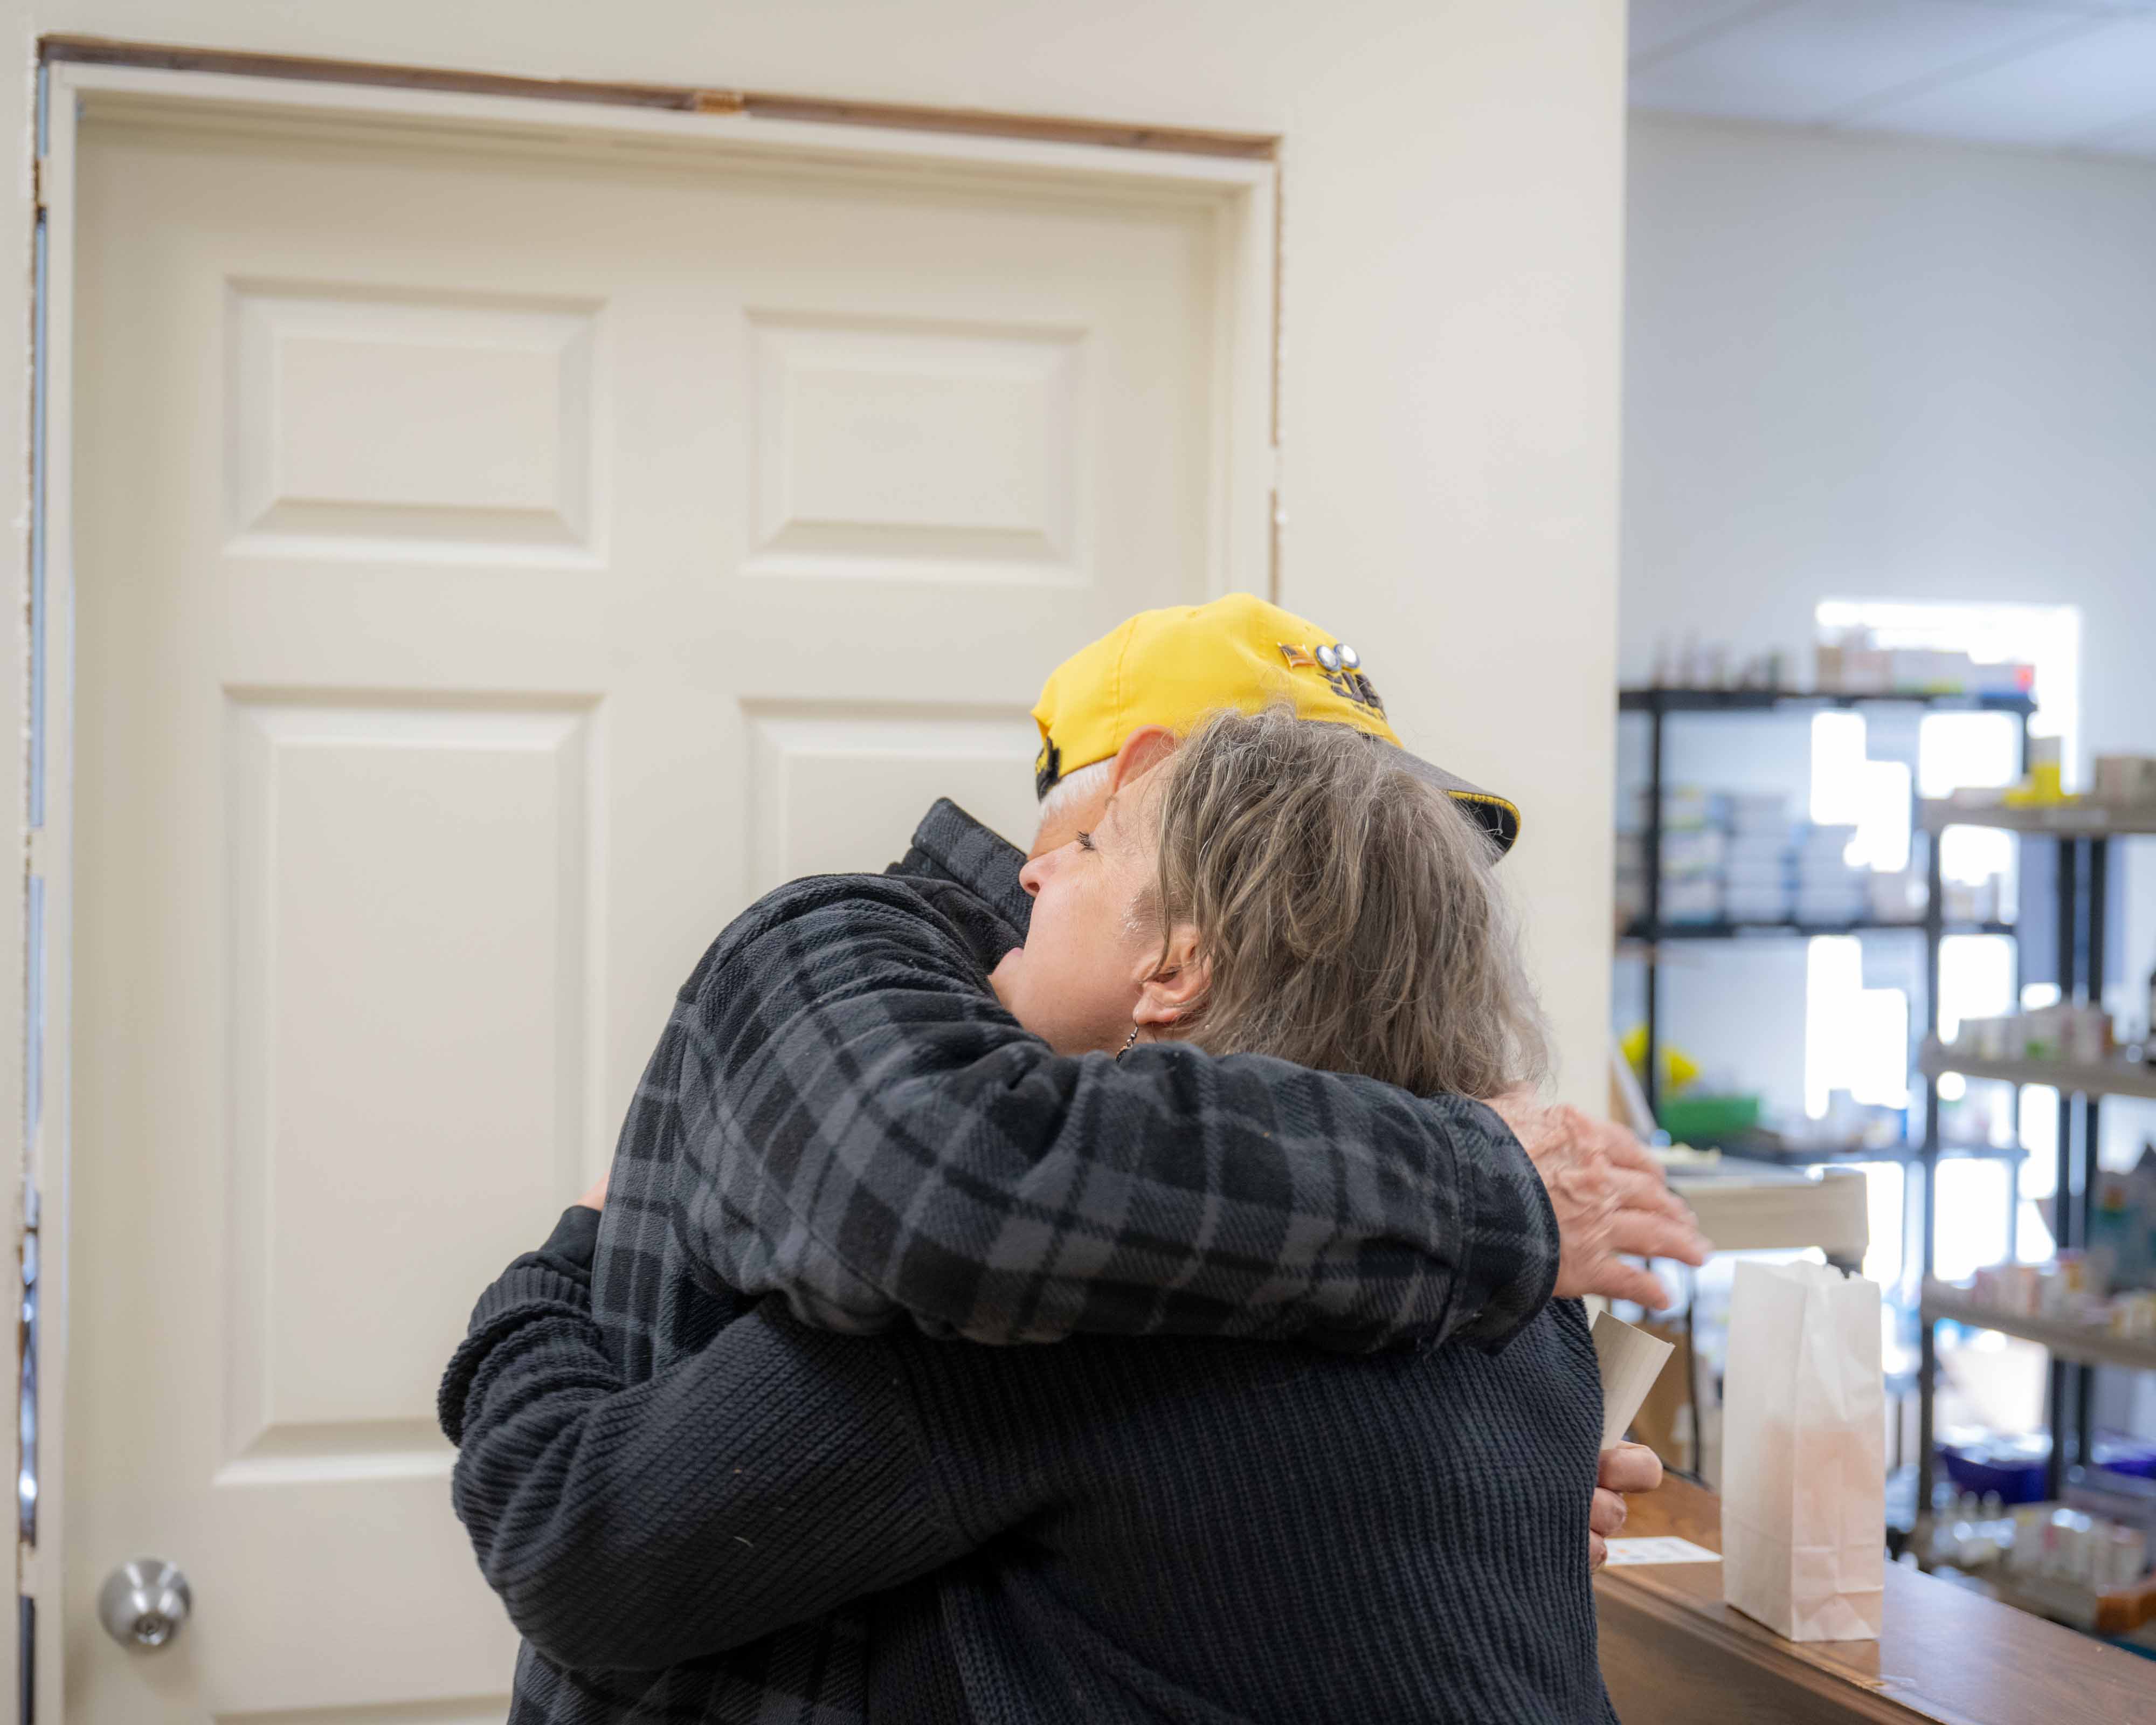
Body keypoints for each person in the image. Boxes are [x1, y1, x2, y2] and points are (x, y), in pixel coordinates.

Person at [439, 597, 1706, 1723]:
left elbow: (570, 1534)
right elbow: (958, 1189)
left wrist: (551, 1272)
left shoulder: (1230, 1280)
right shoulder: (870, 977)